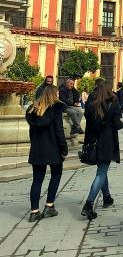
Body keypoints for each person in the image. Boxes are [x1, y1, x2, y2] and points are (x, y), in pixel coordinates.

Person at [81, 83, 123, 220]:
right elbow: (117, 124)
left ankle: (107, 197)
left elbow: (88, 125)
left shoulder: (92, 105)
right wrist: (120, 124)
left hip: (94, 140)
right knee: (101, 172)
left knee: (102, 169)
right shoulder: (113, 103)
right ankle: (88, 204)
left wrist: (87, 141)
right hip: (107, 141)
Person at [26, 86, 68, 222]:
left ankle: (34, 211)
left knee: (37, 180)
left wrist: (34, 144)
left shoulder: (33, 110)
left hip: (37, 149)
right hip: (53, 148)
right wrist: (64, 148)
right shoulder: (55, 109)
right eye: (57, 93)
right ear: (53, 94)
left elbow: (31, 132)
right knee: (56, 175)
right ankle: (49, 206)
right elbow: (59, 131)